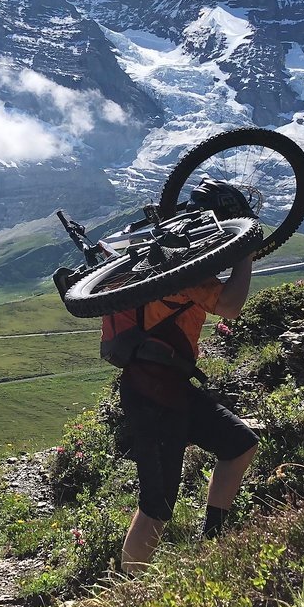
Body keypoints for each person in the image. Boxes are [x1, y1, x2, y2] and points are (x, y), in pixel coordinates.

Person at [109, 216, 258, 574]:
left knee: (239, 444)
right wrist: (245, 256)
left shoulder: (137, 275)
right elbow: (231, 306)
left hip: (167, 385)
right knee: (156, 507)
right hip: (153, 393)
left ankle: (213, 541)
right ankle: (126, 597)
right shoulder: (180, 273)